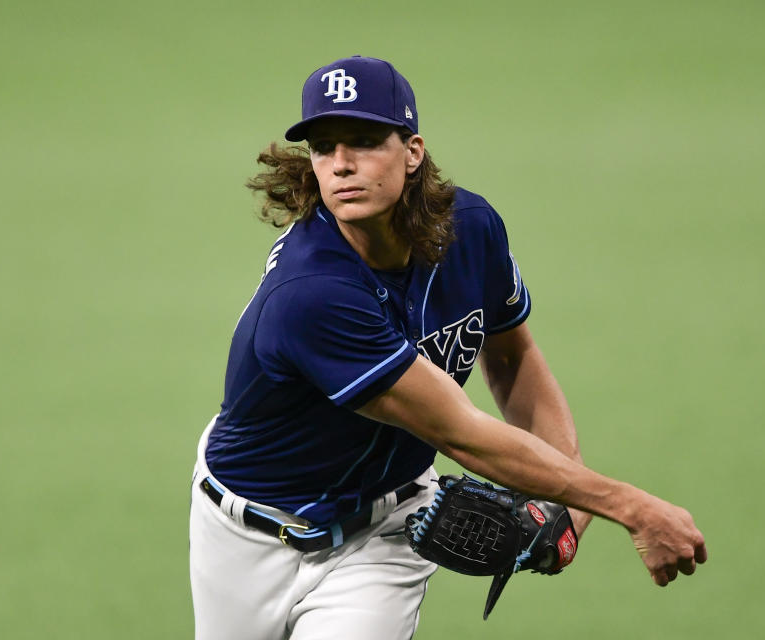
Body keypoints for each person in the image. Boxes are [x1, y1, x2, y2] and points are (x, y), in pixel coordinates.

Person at [189, 55, 706, 640]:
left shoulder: (472, 229)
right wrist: (632, 507)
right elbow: (457, 432)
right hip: (243, 536)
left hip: (384, 539)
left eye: (363, 140)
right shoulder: (312, 293)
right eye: (323, 146)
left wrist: (570, 508)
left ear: (412, 151)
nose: (340, 165)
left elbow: (512, 360)